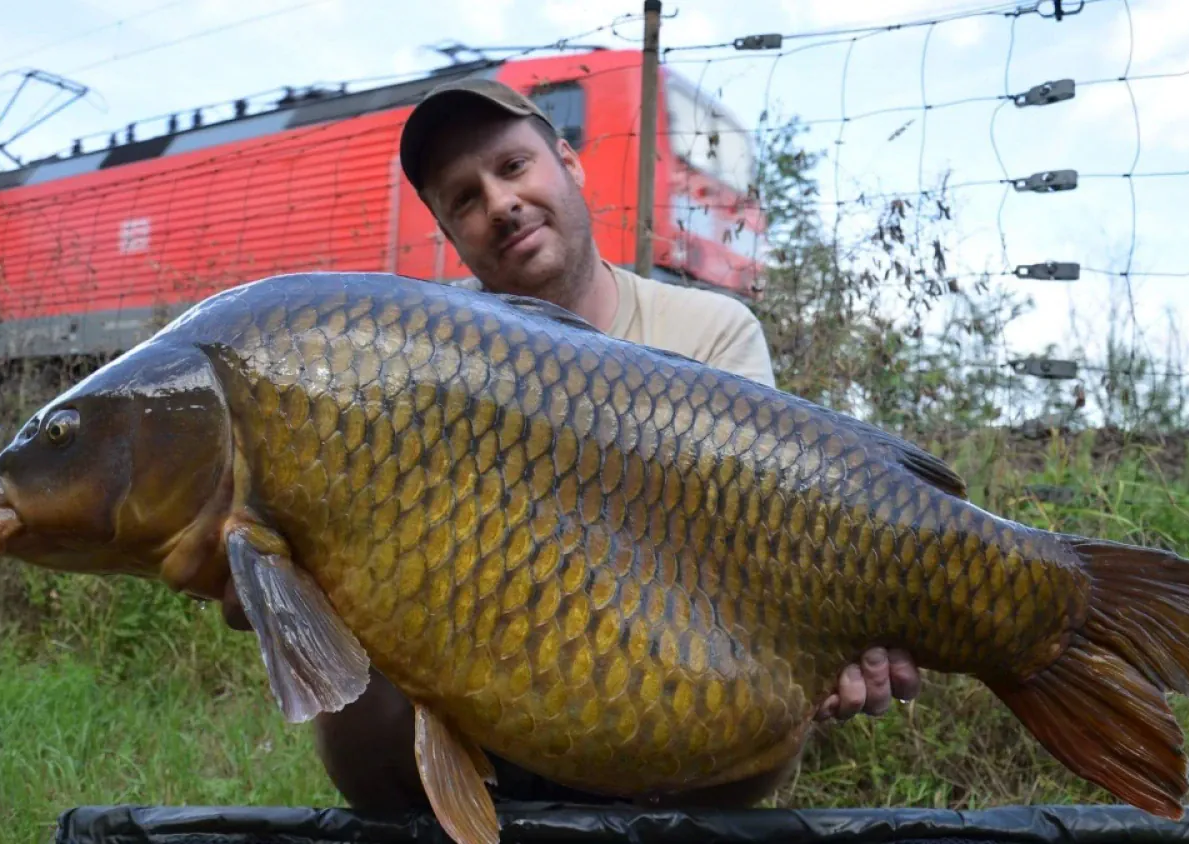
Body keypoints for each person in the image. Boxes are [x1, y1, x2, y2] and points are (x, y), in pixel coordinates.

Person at [218, 77, 921, 811]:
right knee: (362, 692)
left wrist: (840, 638)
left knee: (766, 687)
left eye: (513, 167)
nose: (499, 203)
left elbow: (779, 537)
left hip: (670, 681)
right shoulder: (413, 359)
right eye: (464, 199)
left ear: (570, 164)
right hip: (472, 685)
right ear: (450, 235)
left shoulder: (712, 332)